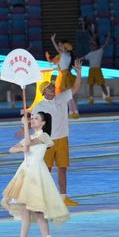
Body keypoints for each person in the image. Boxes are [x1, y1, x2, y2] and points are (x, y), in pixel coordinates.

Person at [2, 111, 70, 237]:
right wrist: (20, 148)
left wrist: (24, 126)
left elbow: (28, 143)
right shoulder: (32, 136)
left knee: (38, 212)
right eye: (31, 118)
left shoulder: (44, 136)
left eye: (36, 118)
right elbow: (11, 149)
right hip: (25, 172)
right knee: (24, 211)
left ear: (43, 123)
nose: (32, 120)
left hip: (36, 174)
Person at [32, 59, 84, 206]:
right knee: (46, 170)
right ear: (43, 92)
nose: (53, 88)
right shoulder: (39, 106)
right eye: (49, 88)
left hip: (62, 138)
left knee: (62, 168)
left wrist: (79, 72)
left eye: (52, 86)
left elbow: (75, 87)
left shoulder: (62, 97)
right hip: (47, 141)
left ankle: (63, 197)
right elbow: (34, 124)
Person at [48, 34, 80, 119]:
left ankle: (73, 111)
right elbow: (61, 65)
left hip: (64, 76)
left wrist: (53, 40)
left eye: (61, 46)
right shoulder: (66, 55)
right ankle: (73, 111)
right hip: (64, 74)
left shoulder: (64, 54)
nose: (59, 47)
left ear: (65, 47)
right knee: (68, 95)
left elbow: (58, 51)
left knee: (68, 95)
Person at [82, 35, 112, 104]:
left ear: (96, 46)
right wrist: (78, 60)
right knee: (90, 84)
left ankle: (107, 96)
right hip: (91, 70)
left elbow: (105, 45)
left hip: (98, 70)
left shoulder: (100, 51)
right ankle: (91, 98)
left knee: (102, 84)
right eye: (91, 46)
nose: (92, 47)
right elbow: (84, 57)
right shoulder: (89, 54)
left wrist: (107, 38)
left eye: (93, 45)